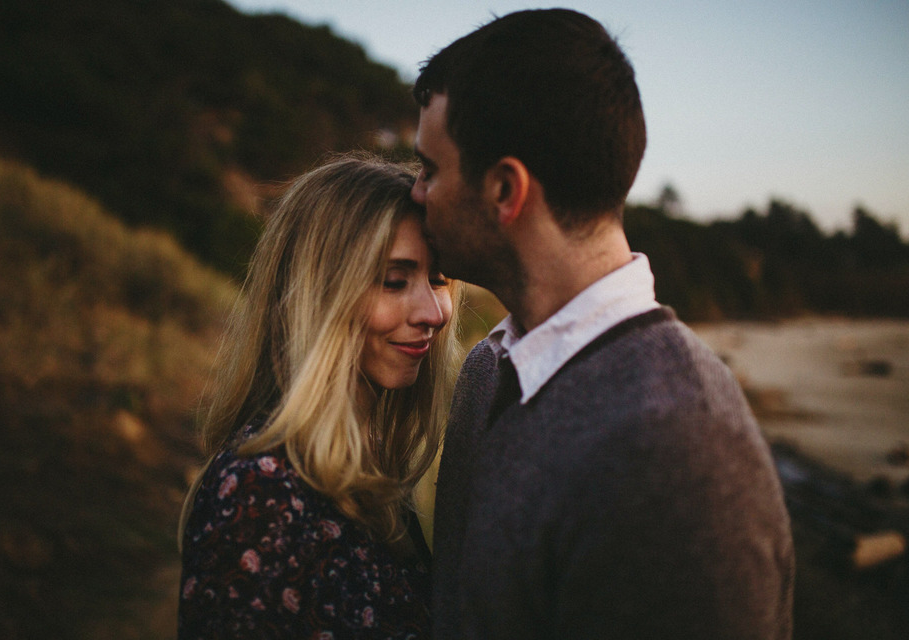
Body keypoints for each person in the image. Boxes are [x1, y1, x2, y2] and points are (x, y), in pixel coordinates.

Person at [410, 9, 794, 639]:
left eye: (430, 169)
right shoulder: (488, 372)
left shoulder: (675, 454)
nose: (417, 192)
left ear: (506, 190)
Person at [177, 154, 463, 639]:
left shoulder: (376, 476)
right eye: (395, 280)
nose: (434, 311)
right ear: (320, 292)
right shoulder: (261, 493)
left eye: (438, 279)